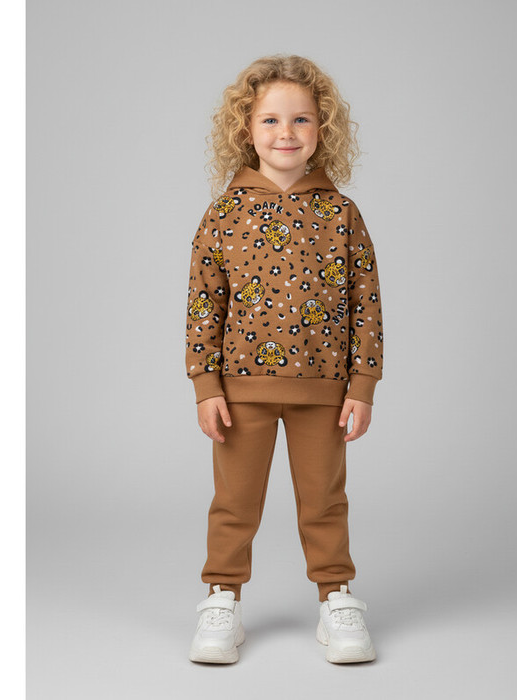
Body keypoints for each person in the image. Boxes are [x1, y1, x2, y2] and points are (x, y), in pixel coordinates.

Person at [184, 54, 383, 664]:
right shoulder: (223, 214)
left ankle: (336, 597)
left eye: (301, 119)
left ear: (324, 129)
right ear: (246, 129)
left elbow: (366, 304)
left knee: (324, 501)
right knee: (234, 503)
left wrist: (362, 385)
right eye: (270, 120)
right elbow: (204, 304)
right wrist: (206, 385)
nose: (286, 133)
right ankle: (221, 598)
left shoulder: (342, 214)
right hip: (239, 390)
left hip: (323, 390)